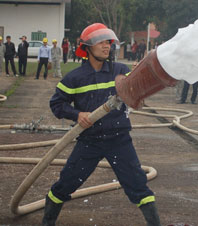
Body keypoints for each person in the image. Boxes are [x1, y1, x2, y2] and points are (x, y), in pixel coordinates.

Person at [42, 23, 161, 226]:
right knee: (66, 183)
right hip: (90, 141)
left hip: (119, 140)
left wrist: (138, 79)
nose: (107, 46)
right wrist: (77, 114)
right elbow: (56, 104)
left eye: (109, 42)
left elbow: (136, 97)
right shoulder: (75, 78)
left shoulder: (120, 71)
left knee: (138, 185)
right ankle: (47, 222)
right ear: (87, 47)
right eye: (101, 42)